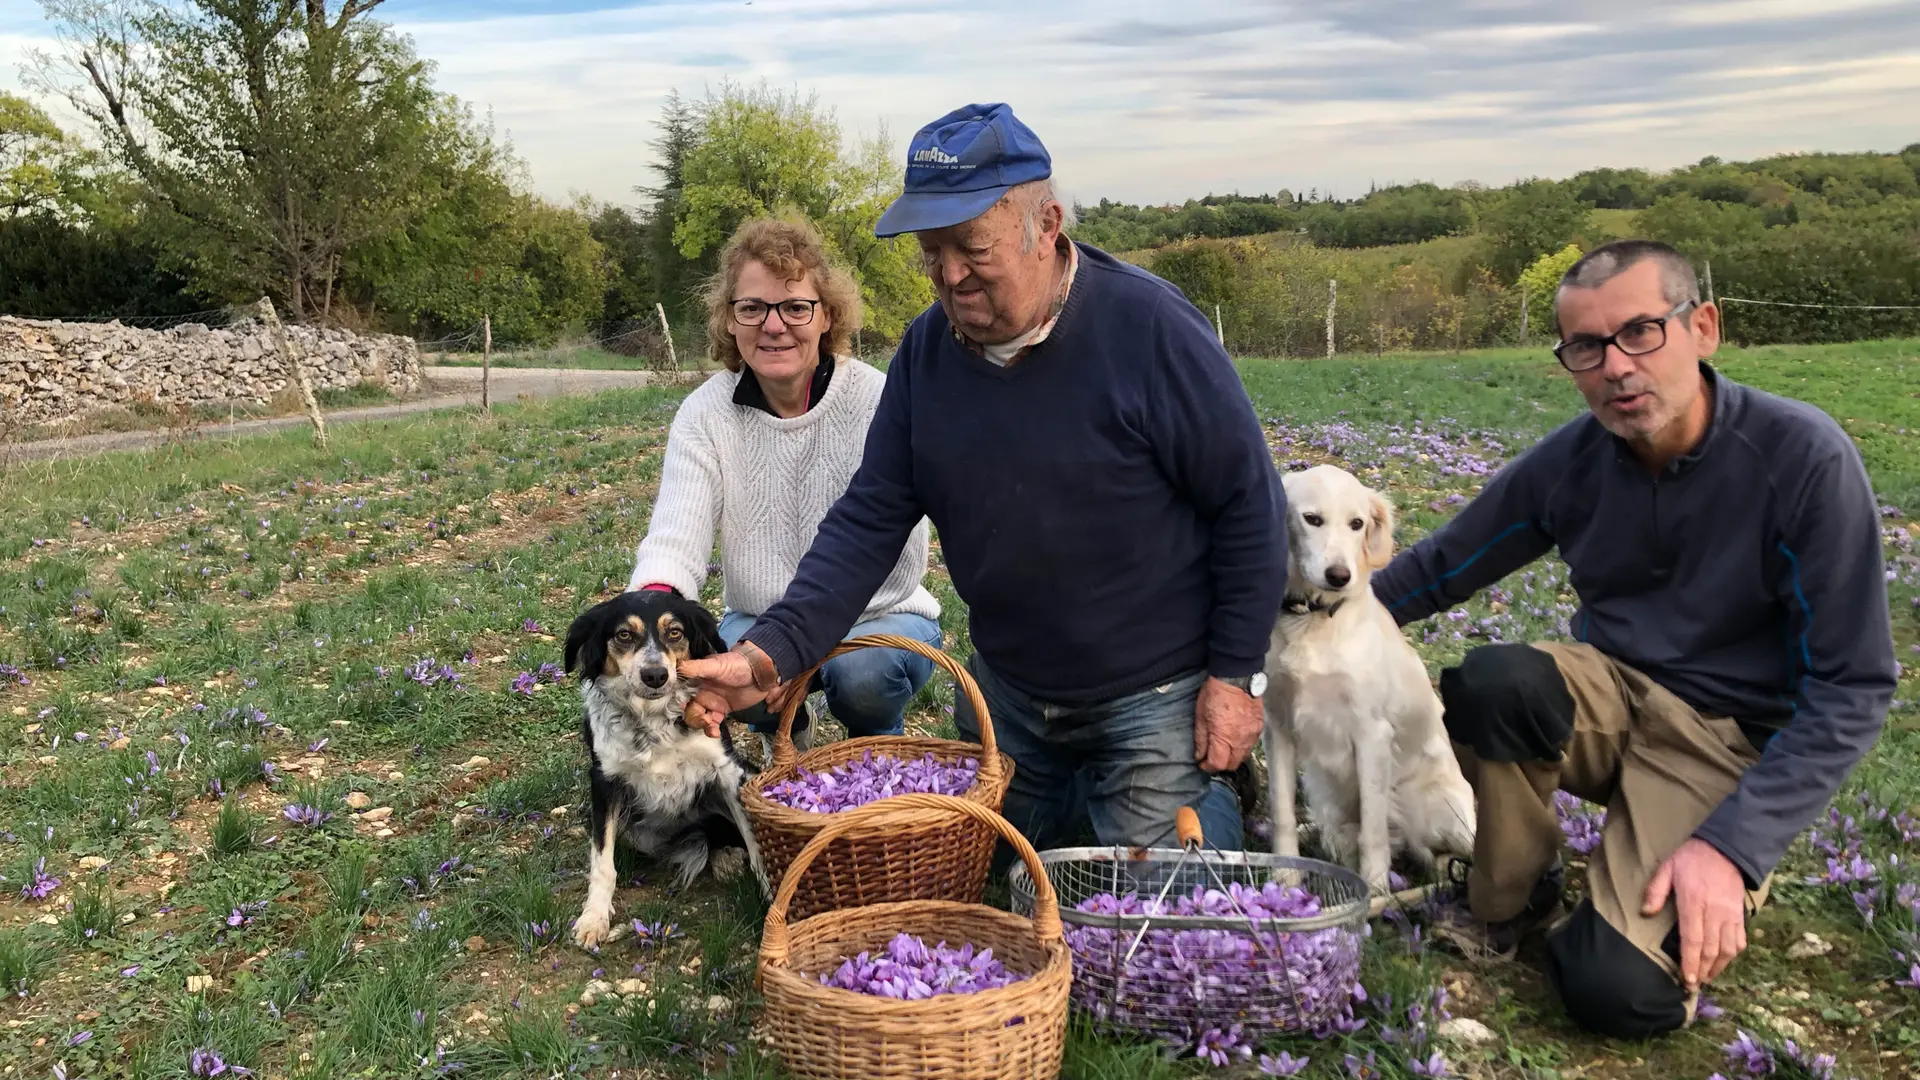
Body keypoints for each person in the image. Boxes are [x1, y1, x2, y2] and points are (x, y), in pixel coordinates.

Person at [679, 102, 1288, 855]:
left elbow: (1249, 506)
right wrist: (768, 654)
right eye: (932, 251)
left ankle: (1203, 786)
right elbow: (869, 521)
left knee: (1150, 904)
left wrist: (1237, 677)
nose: (950, 274)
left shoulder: (1151, 332)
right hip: (1015, 697)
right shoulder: (928, 357)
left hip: (1151, 689)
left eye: (971, 247)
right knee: (977, 870)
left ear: (1048, 225)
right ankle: (1074, 794)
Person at [1369, 239, 1897, 1039]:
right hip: (1612, 692)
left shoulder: (1801, 459)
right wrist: (1282, 633)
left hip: (1724, 740)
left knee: (1615, 992)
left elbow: (1854, 686)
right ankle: (1514, 889)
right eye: (1586, 346)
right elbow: (1441, 568)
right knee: (1494, 681)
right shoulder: (1574, 462)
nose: (1616, 366)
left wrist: (1734, 847)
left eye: (1641, 331)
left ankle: (1653, 887)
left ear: (1704, 328)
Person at [627, 215, 943, 752]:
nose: (774, 326)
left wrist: (798, 647)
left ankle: (880, 751)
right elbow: (676, 537)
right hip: (761, 615)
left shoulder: (877, 398)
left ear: (827, 317)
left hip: (877, 613)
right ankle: (785, 734)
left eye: (796, 307)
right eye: (751, 308)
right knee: (716, 679)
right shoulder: (706, 413)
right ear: (729, 320)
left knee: (864, 676)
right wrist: (650, 612)